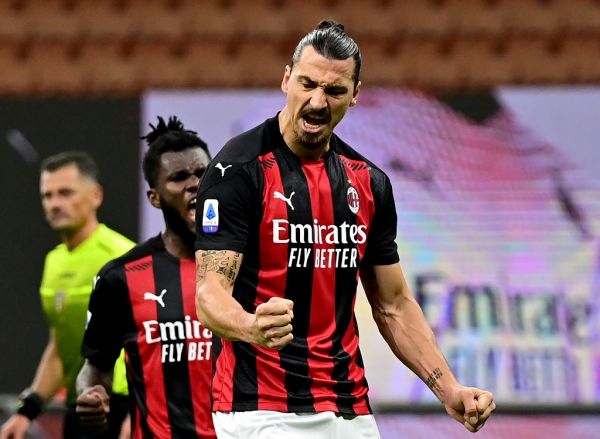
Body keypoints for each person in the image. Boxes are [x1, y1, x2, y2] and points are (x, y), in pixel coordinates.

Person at [194, 20, 496, 438]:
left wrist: (449, 390)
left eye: (334, 91)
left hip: (349, 410)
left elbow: (393, 304)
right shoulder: (237, 171)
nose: (318, 101)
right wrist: (251, 327)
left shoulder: (368, 183)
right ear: (286, 79)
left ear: (355, 96)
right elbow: (209, 295)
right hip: (261, 411)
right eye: (308, 84)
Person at [75, 116, 216, 439]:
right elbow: (96, 367)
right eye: (179, 177)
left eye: (202, 173)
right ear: (155, 197)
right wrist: (91, 395)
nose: (194, 184)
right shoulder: (120, 278)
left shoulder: (253, 264)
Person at [1, 151, 134, 439]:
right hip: (79, 411)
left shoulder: (123, 257)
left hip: (123, 408)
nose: (55, 203)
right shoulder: (53, 262)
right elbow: (59, 347)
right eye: (47, 196)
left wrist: (139, 415)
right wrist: (28, 411)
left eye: (65, 193)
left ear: (96, 195)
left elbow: (154, 343)